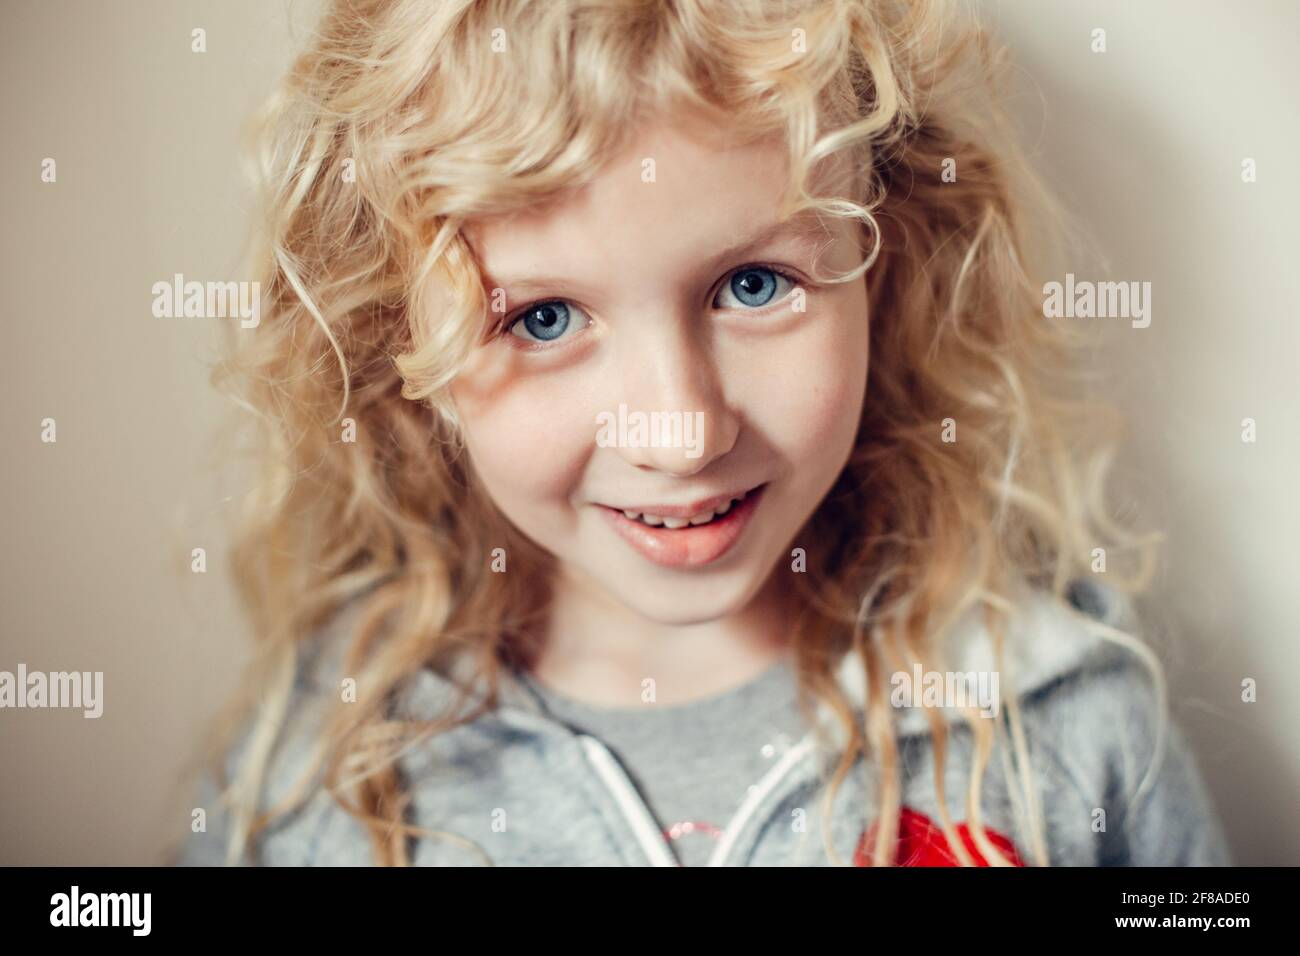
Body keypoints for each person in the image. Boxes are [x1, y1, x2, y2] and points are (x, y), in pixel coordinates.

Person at [173, 0, 1229, 867]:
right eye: (540, 319)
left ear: (887, 265)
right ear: (399, 348)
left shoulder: (1065, 715)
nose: (679, 432)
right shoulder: (320, 773)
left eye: (755, 284)